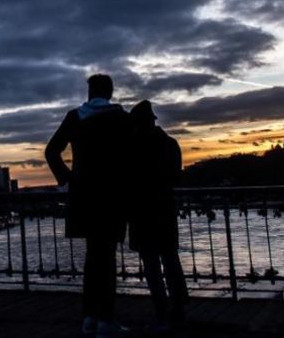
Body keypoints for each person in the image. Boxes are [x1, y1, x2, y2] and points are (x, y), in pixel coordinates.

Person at [46, 74, 132, 336]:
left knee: (92, 258)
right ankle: (106, 320)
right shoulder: (121, 118)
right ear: (110, 92)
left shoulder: (74, 116)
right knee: (106, 258)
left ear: (89, 92)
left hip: (83, 196)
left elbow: (51, 151)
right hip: (111, 195)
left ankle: (89, 318)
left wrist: (68, 179)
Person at [127, 100, 187, 330]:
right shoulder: (171, 144)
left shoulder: (131, 147)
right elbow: (176, 178)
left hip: (140, 212)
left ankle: (161, 309)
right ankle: (179, 307)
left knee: (151, 265)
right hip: (164, 209)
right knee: (171, 259)